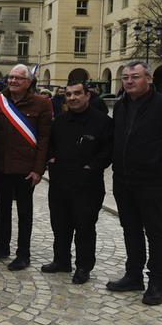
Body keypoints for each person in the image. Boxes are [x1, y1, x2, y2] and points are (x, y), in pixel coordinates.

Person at [107, 61, 162, 305]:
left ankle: (156, 282)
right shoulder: (121, 105)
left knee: (155, 231)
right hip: (123, 179)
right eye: (126, 77)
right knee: (130, 228)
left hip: (152, 181)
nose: (129, 81)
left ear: (149, 79)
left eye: (135, 76)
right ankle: (133, 274)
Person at [0, 64, 52, 271]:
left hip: (26, 169)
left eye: (18, 78)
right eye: (11, 77)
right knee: (1, 210)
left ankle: (23, 254)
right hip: (1, 166)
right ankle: (1, 247)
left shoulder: (42, 104)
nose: (13, 81)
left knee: (24, 212)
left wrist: (39, 170)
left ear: (29, 82)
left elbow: (45, 139)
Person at [44, 81, 113, 284]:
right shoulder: (60, 121)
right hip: (60, 183)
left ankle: (83, 266)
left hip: (87, 185)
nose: (72, 98)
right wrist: (51, 158)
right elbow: (50, 145)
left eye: (77, 94)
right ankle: (61, 260)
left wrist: (91, 167)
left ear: (87, 95)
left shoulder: (102, 122)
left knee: (84, 227)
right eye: (69, 94)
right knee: (60, 225)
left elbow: (108, 151)